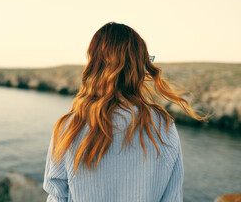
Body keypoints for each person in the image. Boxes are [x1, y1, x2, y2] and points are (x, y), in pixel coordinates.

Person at [42, 22, 210, 202]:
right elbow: (173, 198)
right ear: (138, 67)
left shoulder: (69, 127)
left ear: (94, 65)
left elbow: (58, 197)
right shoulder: (164, 127)